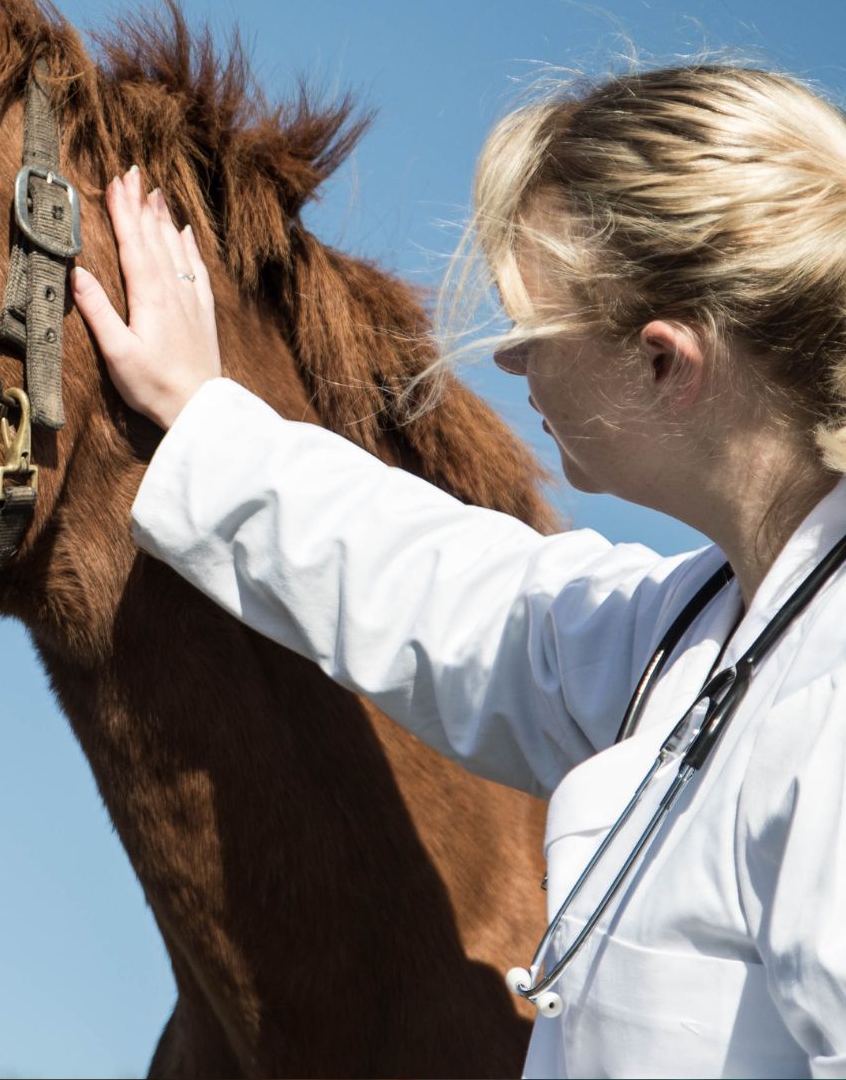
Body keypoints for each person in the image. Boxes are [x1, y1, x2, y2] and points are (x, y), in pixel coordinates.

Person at [71, 63, 846, 1077]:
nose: (510, 364)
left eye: (535, 328)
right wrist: (206, 414)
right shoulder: (705, 627)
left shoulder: (825, 703)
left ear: (665, 363)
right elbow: (457, 599)